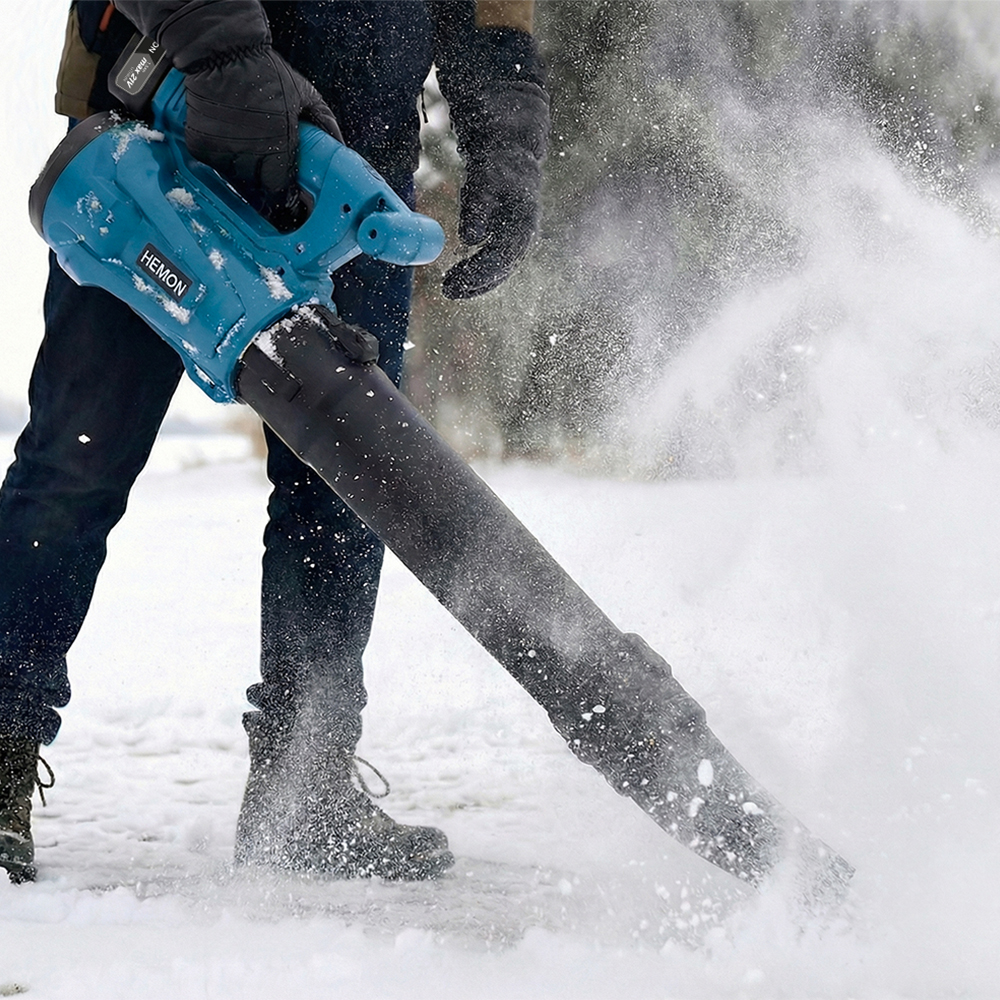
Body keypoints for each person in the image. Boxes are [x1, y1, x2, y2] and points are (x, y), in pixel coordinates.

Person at [0, 0, 549, 884]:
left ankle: (307, 786)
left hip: (349, 145)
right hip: (171, 112)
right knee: (79, 454)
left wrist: (506, 128)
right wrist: (222, 61)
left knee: (341, 487)